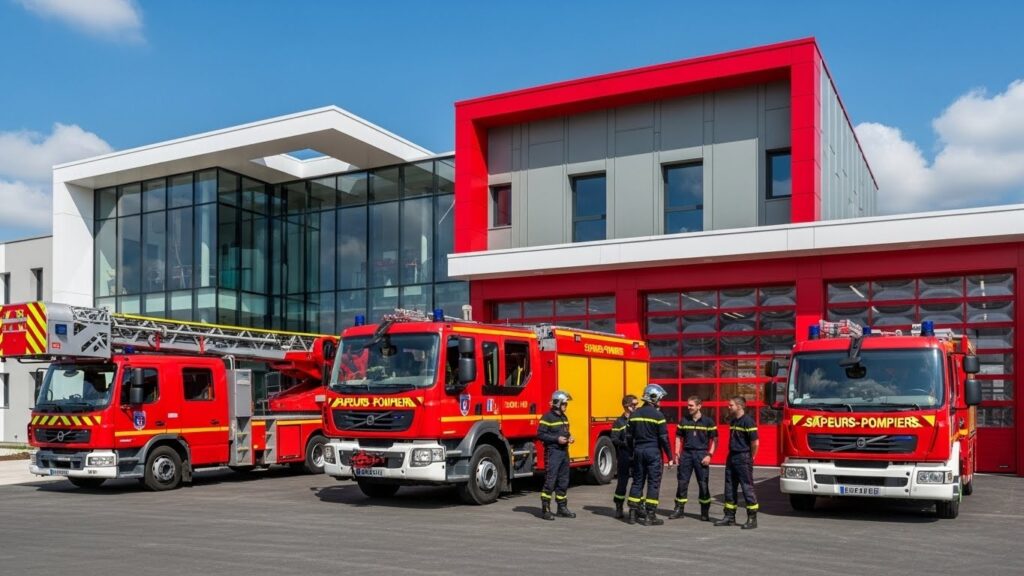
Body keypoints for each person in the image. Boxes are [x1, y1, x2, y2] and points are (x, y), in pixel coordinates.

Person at [626, 384, 672, 526]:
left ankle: (632, 515)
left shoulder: (634, 415)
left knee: (637, 481)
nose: (661, 401)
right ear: (653, 397)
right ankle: (650, 516)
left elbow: (628, 437)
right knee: (653, 483)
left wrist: (631, 452)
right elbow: (664, 438)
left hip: (638, 451)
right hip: (653, 452)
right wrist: (670, 456)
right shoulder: (658, 415)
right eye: (660, 398)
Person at [670, 395, 718, 521]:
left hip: (701, 454)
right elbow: (678, 437)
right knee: (682, 483)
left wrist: (709, 455)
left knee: (703, 484)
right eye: (688, 405)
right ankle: (679, 509)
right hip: (686, 455)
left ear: (699, 406)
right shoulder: (684, 420)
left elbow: (715, 440)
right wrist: (676, 452)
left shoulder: (708, 422)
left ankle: (704, 511)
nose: (688, 407)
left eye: (691, 405)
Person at [714, 396, 759, 529]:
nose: (728, 407)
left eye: (731, 405)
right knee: (729, 487)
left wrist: (751, 457)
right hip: (732, 456)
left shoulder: (748, 422)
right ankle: (729, 516)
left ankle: (752, 518)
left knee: (747, 487)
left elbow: (755, 442)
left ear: (739, 406)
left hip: (743, 457)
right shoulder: (733, 421)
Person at [537, 390, 575, 521]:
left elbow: (565, 432)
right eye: (564, 403)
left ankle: (562, 508)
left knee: (564, 480)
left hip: (564, 452)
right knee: (550, 480)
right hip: (553, 452)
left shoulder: (564, 417)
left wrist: (569, 437)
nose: (566, 406)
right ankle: (545, 509)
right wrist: (556, 439)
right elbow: (540, 435)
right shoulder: (547, 417)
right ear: (557, 403)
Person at [610, 394, 638, 519]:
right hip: (624, 455)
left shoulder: (637, 419)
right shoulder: (619, 422)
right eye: (633, 405)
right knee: (622, 482)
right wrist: (624, 443)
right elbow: (614, 439)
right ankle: (619, 507)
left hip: (637, 455)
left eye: (636, 404)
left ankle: (637, 507)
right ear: (627, 406)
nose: (636, 407)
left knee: (638, 482)